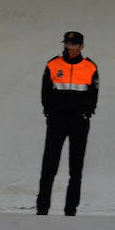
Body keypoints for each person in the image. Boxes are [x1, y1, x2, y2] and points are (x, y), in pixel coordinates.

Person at [37, 30, 99, 216]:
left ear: (81, 46)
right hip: (57, 119)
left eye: (73, 45)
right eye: (67, 44)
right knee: (50, 164)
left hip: (79, 121)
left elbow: (93, 93)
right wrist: (49, 111)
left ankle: (71, 209)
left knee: (76, 166)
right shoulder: (53, 64)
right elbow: (45, 90)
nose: (69, 48)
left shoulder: (90, 66)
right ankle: (42, 208)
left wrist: (86, 113)